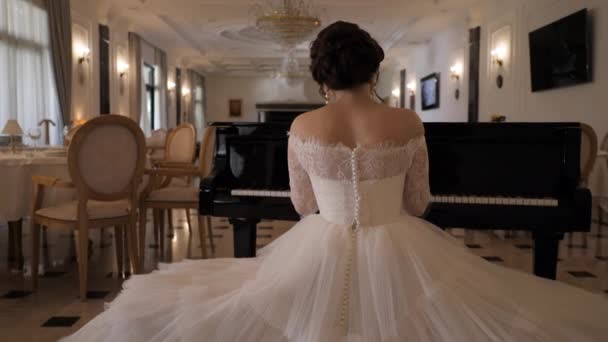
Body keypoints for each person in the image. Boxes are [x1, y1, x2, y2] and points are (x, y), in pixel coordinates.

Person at [63, 21, 608, 342]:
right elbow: (419, 202)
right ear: (374, 71)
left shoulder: (301, 126)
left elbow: (303, 207)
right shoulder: (406, 122)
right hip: (400, 239)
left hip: (318, 243)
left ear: (321, 75)